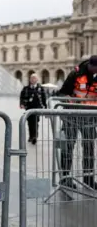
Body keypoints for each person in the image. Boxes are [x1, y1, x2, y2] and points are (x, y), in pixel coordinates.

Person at [57, 55, 97, 190]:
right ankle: (65, 178)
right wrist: (68, 101)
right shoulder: (76, 73)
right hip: (72, 116)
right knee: (68, 147)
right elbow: (61, 93)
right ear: (90, 65)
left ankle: (88, 178)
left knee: (89, 149)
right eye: (95, 69)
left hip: (89, 117)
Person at [19, 73, 47, 144]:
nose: (33, 79)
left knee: (36, 122)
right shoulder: (26, 88)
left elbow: (44, 98)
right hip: (28, 107)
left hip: (37, 108)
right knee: (30, 122)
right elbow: (22, 97)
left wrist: (45, 106)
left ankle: (35, 136)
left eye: (34, 78)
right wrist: (22, 104)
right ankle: (31, 136)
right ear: (30, 79)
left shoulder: (40, 88)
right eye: (32, 78)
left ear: (37, 79)